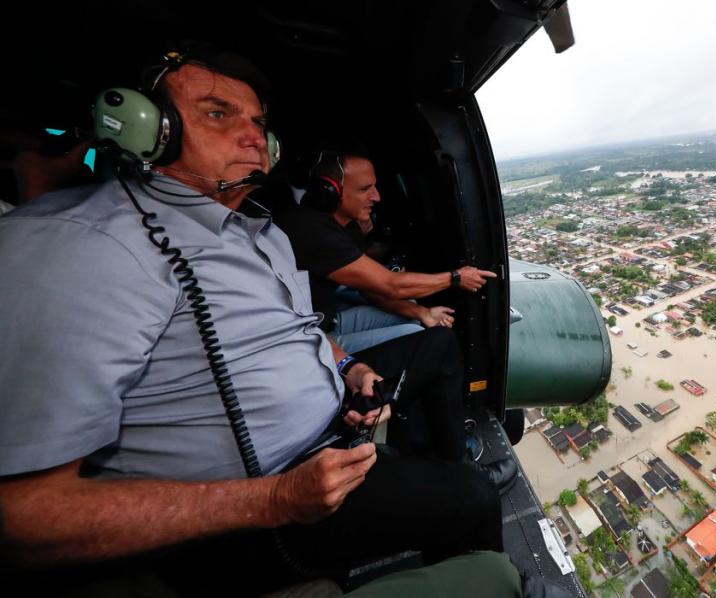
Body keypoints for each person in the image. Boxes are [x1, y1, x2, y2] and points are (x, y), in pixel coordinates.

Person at [0, 46, 517, 595]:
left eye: (259, 123)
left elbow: (292, 327)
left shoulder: (258, 230)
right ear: (148, 129)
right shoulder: (78, 249)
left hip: (324, 444)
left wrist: (346, 368)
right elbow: (22, 517)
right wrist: (274, 501)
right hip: (252, 504)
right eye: (218, 114)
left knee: (439, 409)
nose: (254, 138)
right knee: (472, 501)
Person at [276, 149, 497, 352]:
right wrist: (456, 278)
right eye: (364, 189)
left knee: (415, 317)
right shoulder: (311, 230)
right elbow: (391, 286)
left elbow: (370, 288)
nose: (376, 197)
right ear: (329, 191)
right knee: (417, 335)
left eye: (374, 187)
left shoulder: (345, 226)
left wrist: (423, 313)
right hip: (307, 340)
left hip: (327, 320)